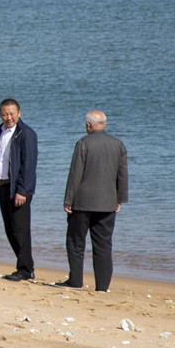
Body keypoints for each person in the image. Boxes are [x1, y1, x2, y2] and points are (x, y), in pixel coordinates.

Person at [59, 109, 128, 291]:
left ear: (88, 125)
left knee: (75, 242)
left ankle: (75, 281)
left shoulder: (83, 143)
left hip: (82, 202)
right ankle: (102, 287)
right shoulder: (118, 145)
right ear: (104, 124)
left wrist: (68, 199)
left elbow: (75, 174)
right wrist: (119, 198)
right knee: (103, 245)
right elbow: (122, 175)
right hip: (107, 203)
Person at [0, 98, 37, 282]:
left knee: (20, 229)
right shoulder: (0, 131)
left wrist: (22, 190)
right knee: (9, 229)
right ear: (0, 115)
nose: (9, 117)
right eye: (5, 114)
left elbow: (28, 165)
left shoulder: (26, 134)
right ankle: (26, 266)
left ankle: (25, 269)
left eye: (12, 114)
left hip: (18, 188)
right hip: (2, 186)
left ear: (19, 113)